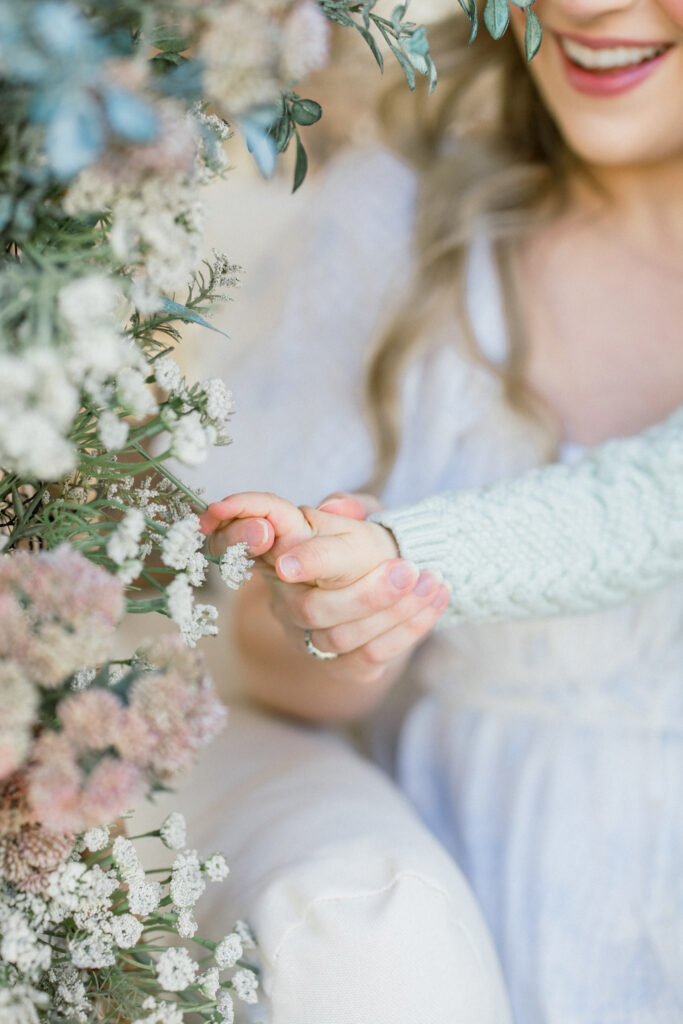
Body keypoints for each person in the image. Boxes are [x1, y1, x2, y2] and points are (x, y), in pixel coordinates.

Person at [199, 0, 683, 1019]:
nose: (588, 7)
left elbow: (639, 509)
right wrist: (334, 616)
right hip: (467, 898)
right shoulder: (400, 217)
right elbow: (266, 665)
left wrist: (407, 548)